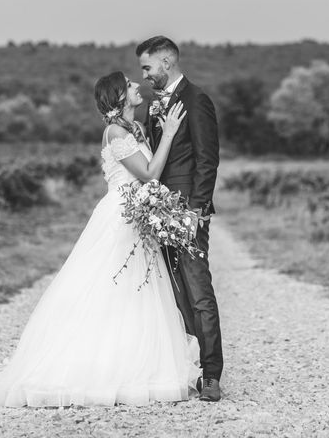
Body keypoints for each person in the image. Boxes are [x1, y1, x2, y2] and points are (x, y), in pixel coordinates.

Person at [0, 71, 201, 408]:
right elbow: (149, 173)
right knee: (113, 285)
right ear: (119, 97)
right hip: (122, 215)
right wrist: (169, 134)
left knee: (136, 289)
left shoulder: (132, 128)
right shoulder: (115, 132)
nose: (136, 86)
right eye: (129, 85)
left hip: (136, 210)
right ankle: (98, 368)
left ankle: (135, 361)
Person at [136, 36, 223, 402]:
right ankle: (189, 367)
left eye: (147, 67)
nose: (144, 75)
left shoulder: (196, 100)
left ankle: (213, 374)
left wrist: (198, 209)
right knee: (174, 291)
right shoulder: (153, 108)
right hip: (161, 212)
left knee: (198, 289)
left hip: (189, 210)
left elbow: (207, 159)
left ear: (167, 61)